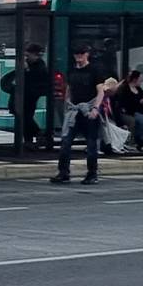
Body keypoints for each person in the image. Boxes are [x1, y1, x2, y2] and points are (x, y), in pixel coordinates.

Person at [52, 47, 106, 185]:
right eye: (76, 54)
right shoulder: (72, 70)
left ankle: (92, 173)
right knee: (65, 142)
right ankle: (63, 172)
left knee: (91, 144)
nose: (79, 57)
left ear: (87, 54)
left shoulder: (94, 70)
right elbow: (69, 89)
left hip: (88, 110)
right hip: (74, 111)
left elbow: (100, 91)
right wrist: (67, 106)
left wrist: (95, 108)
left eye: (81, 54)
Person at [10, 44, 50, 150]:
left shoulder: (39, 66)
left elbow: (36, 79)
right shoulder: (29, 64)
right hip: (24, 93)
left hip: (31, 94)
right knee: (23, 117)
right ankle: (29, 139)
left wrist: (27, 69)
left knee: (26, 117)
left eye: (28, 55)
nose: (26, 58)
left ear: (35, 55)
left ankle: (37, 133)